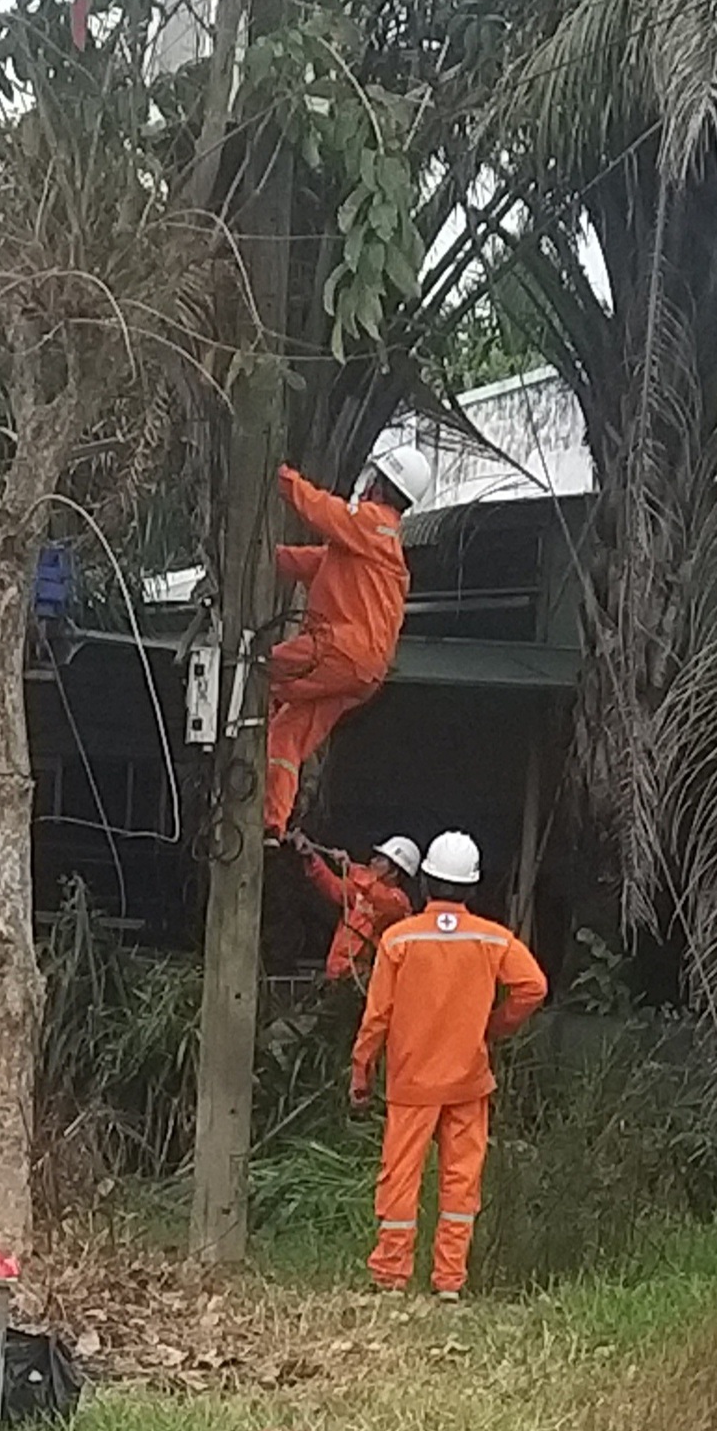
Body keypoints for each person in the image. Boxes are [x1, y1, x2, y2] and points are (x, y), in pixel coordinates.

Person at [350, 830, 548, 1299]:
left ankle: (390, 1277)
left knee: (401, 1178)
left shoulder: (399, 940)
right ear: (473, 889)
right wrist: (495, 1027)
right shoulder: (492, 939)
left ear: (426, 884)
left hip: (411, 1083)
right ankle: (449, 1283)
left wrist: (361, 1071)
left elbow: (377, 1017)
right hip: (467, 1081)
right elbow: (534, 986)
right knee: (461, 1184)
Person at [264, 442, 429, 837]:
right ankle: (273, 823)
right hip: (363, 674)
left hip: (342, 648)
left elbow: (319, 508)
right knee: (287, 735)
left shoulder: (372, 522)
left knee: (253, 668)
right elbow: (306, 562)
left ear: (378, 485)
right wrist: (262, 556)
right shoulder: (368, 547)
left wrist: (278, 474)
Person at [294, 832, 420, 984]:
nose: (372, 861)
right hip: (341, 975)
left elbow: (378, 896)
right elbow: (334, 887)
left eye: (380, 859)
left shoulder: (398, 903)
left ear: (394, 871)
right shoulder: (363, 892)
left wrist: (350, 868)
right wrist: (312, 857)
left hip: (366, 980)